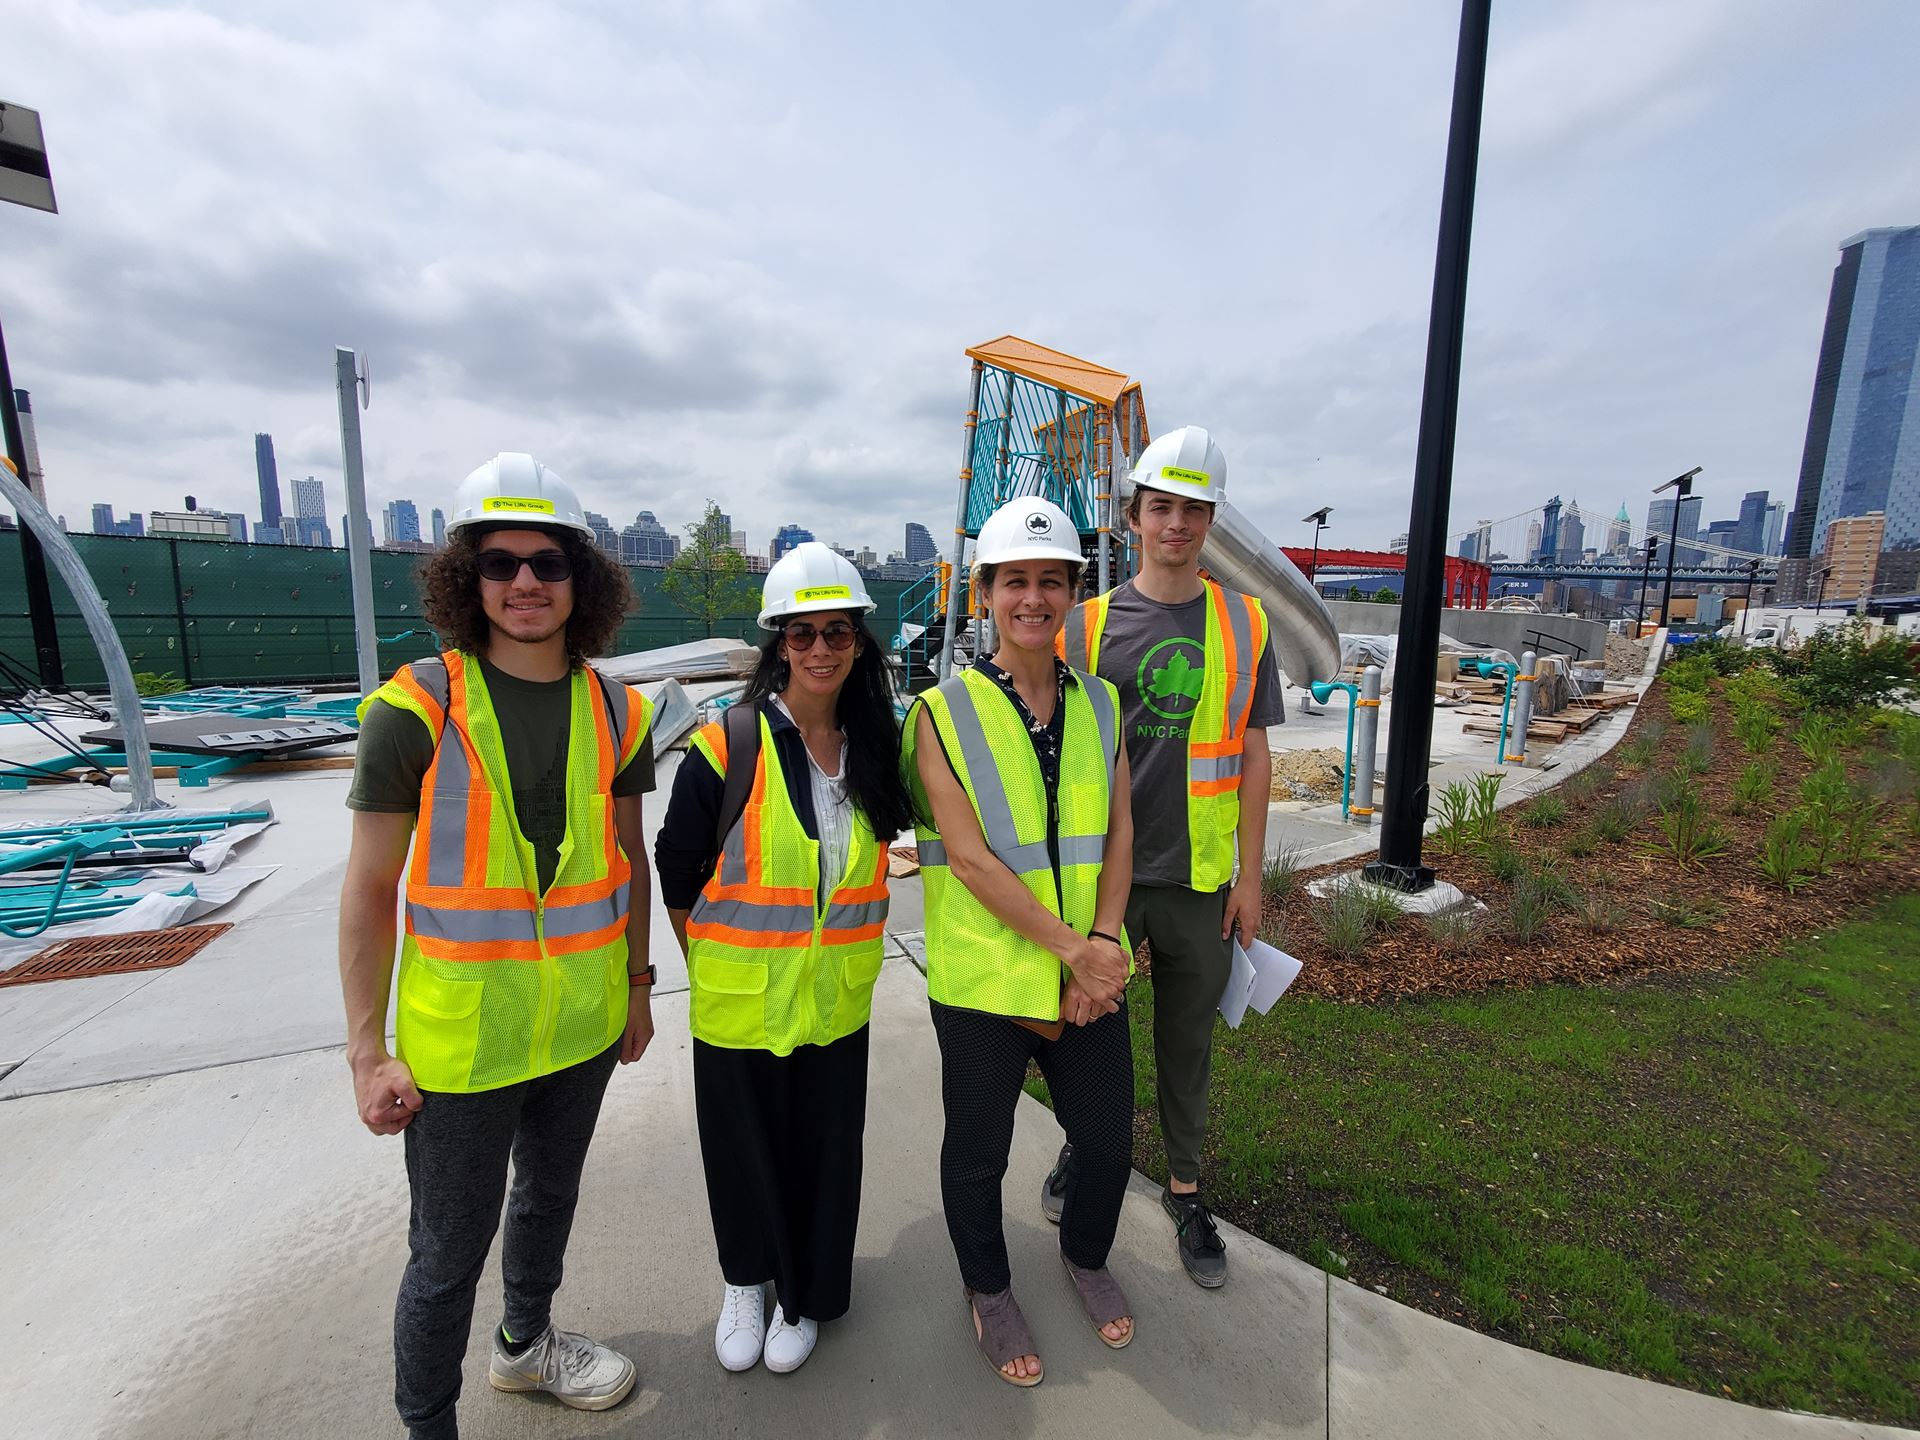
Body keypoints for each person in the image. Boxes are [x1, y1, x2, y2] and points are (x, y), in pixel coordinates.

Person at [338, 453, 656, 1440]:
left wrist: (639, 989)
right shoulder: (414, 712)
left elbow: (629, 862)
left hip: (583, 1027)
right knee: (444, 1258)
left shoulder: (619, 711)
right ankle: (427, 1423)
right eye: (500, 560)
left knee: (549, 1199)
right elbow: (367, 890)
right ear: (464, 578)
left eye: (549, 561)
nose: (525, 581)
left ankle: (526, 1347)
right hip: (462, 1043)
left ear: (581, 580)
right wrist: (366, 1051)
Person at [655, 542, 915, 1376]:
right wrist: (712, 961)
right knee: (741, 1150)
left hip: (837, 999)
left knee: (824, 1153)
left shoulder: (879, 747)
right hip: (741, 999)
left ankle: (804, 1297)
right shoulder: (729, 744)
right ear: (778, 647)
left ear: (858, 643)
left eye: (837, 632)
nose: (821, 650)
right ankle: (746, 1284)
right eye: (801, 636)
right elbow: (676, 868)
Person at [904, 495, 1136, 1387]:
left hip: (1087, 975)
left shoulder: (1104, 704)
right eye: (1014, 581)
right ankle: (989, 1289)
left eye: (1051, 580)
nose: (1033, 598)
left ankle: (1084, 1255)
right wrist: (1077, 952)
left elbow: (1118, 833)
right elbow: (967, 861)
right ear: (986, 592)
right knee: (978, 1154)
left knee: (1108, 1144)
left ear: (1074, 591)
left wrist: (1103, 943)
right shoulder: (939, 713)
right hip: (986, 985)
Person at [1049, 425, 1283, 1290]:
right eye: (1161, 507)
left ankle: (1185, 1188)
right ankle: (1085, 1147)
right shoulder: (1085, 627)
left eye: (1193, 509)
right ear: (1134, 515)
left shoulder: (1243, 620)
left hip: (1197, 882)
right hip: (1102, 882)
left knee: (1187, 1043)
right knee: (1087, 1039)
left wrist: (1251, 878)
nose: (1176, 524)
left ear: (1210, 519)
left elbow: (1253, 754)